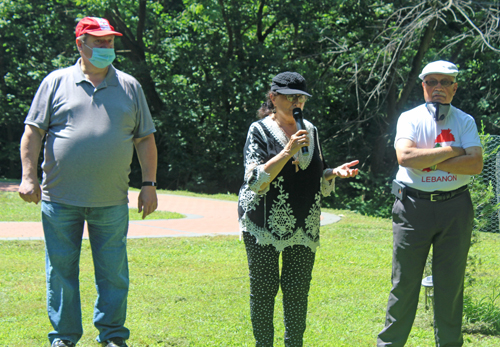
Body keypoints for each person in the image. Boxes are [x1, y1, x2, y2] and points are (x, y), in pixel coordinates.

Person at [18, 17, 158, 347]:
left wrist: (149, 184)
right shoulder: (55, 82)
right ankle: (64, 339)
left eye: (110, 42)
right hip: (60, 199)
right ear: (81, 45)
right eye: (100, 41)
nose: (107, 47)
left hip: (111, 200)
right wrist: (27, 177)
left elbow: (145, 139)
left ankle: (111, 337)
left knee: (113, 274)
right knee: (61, 273)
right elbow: (32, 133)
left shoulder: (129, 86)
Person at [238, 71, 359, 346]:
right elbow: (254, 180)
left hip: (303, 222)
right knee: (264, 289)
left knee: (297, 291)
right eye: (291, 97)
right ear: (273, 97)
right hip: (262, 223)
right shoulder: (258, 130)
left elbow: (315, 173)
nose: (297, 103)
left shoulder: (310, 130)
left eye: (301, 98)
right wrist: (287, 151)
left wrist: (333, 173)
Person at [377, 61, 483, 347]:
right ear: (423, 86)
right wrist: (452, 151)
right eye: (432, 82)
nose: (439, 87)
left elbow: (475, 164)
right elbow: (406, 158)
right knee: (405, 284)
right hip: (413, 207)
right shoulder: (410, 118)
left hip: (455, 207)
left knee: (450, 286)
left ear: (455, 87)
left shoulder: (465, 121)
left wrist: (429, 158)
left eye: (445, 82)